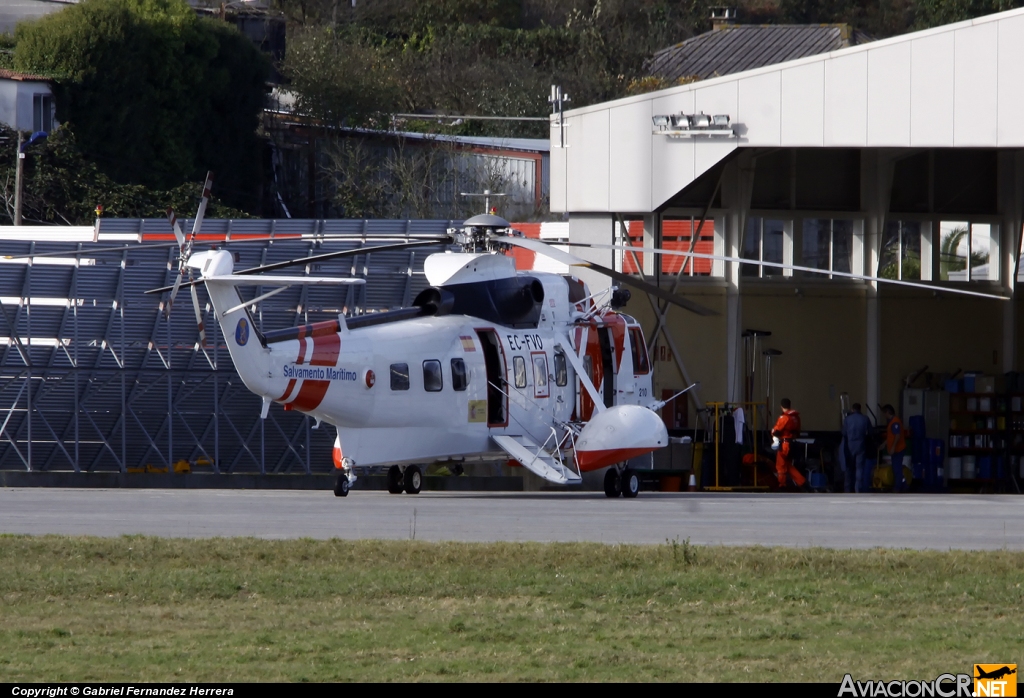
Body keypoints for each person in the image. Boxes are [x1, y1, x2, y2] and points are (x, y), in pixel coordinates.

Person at [771, 398, 807, 490]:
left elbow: (776, 431)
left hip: (784, 444)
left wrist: (774, 433)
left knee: (781, 465)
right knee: (788, 465)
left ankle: (781, 485)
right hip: (792, 443)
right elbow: (797, 431)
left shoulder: (785, 417)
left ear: (781, 406)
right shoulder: (795, 417)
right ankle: (802, 482)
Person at [842, 403, 872, 493]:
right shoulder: (865, 419)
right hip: (860, 445)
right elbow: (870, 432)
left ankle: (847, 489)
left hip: (849, 445)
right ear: (860, 409)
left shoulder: (847, 419)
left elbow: (843, 433)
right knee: (859, 468)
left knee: (848, 468)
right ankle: (858, 489)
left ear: (852, 409)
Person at [883, 404, 908, 492]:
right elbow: (891, 436)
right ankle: (904, 485)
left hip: (898, 450)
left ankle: (897, 488)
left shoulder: (895, 422)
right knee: (897, 468)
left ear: (888, 412)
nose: (884, 415)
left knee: (896, 468)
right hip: (895, 450)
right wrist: (884, 444)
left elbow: (897, 436)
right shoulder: (892, 422)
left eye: (884, 413)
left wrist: (893, 447)